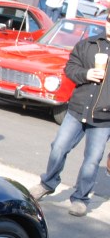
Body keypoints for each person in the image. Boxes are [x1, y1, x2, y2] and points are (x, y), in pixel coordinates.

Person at [28, 14, 110, 217]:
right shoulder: (88, 44)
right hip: (77, 109)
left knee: (92, 160)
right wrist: (86, 74)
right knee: (58, 147)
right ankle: (48, 183)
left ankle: (81, 198)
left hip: (103, 117)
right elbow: (70, 68)